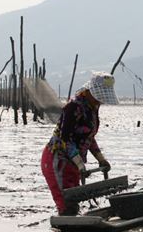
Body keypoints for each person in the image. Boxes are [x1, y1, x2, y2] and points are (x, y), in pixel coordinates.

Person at [41, 72, 119, 216]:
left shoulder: (92, 108)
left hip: (73, 164)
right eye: (99, 97)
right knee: (66, 206)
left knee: (73, 205)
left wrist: (101, 159)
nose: (100, 101)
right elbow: (65, 139)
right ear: (89, 91)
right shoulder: (73, 108)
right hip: (58, 160)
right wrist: (80, 164)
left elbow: (89, 137)